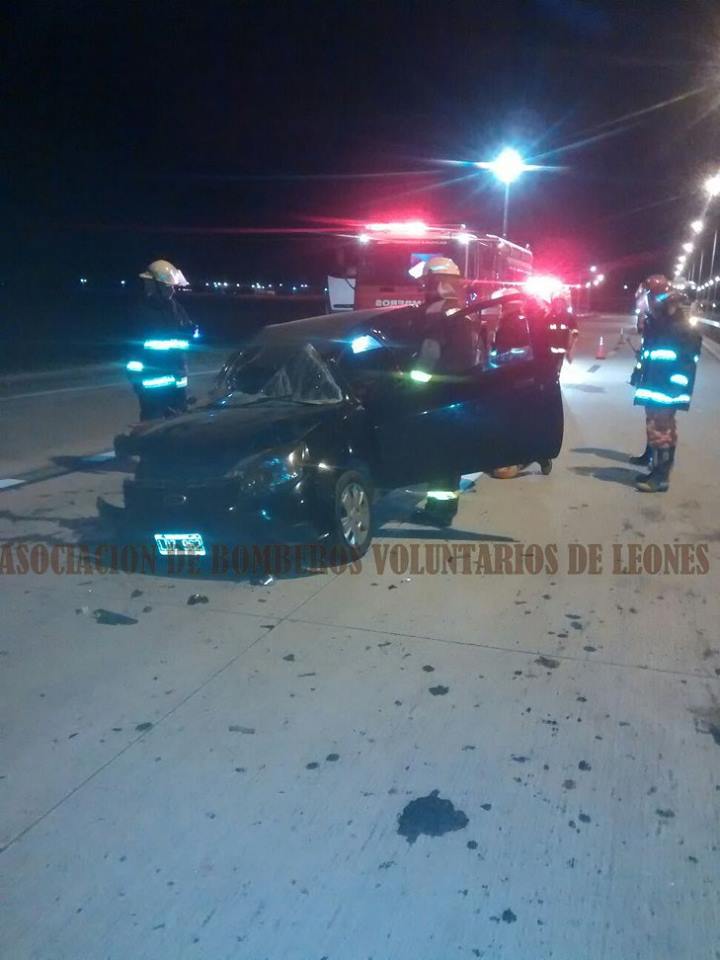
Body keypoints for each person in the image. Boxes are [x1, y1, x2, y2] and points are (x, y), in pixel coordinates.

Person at [629, 274, 701, 492]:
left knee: (662, 430)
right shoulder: (660, 324)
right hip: (655, 384)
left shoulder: (678, 327)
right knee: (656, 427)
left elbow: (686, 361)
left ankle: (661, 477)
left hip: (666, 388)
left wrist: (674, 387)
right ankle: (655, 467)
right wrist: (639, 373)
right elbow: (651, 354)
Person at [128, 260, 194, 421]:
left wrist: (190, 333)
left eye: (172, 286)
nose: (172, 290)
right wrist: (137, 381)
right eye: (167, 286)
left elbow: (184, 337)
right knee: (152, 427)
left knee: (180, 425)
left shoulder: (175, 307)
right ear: (153, 286)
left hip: (177, 380)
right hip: (152, 385)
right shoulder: (140, 312)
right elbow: (132, 352)